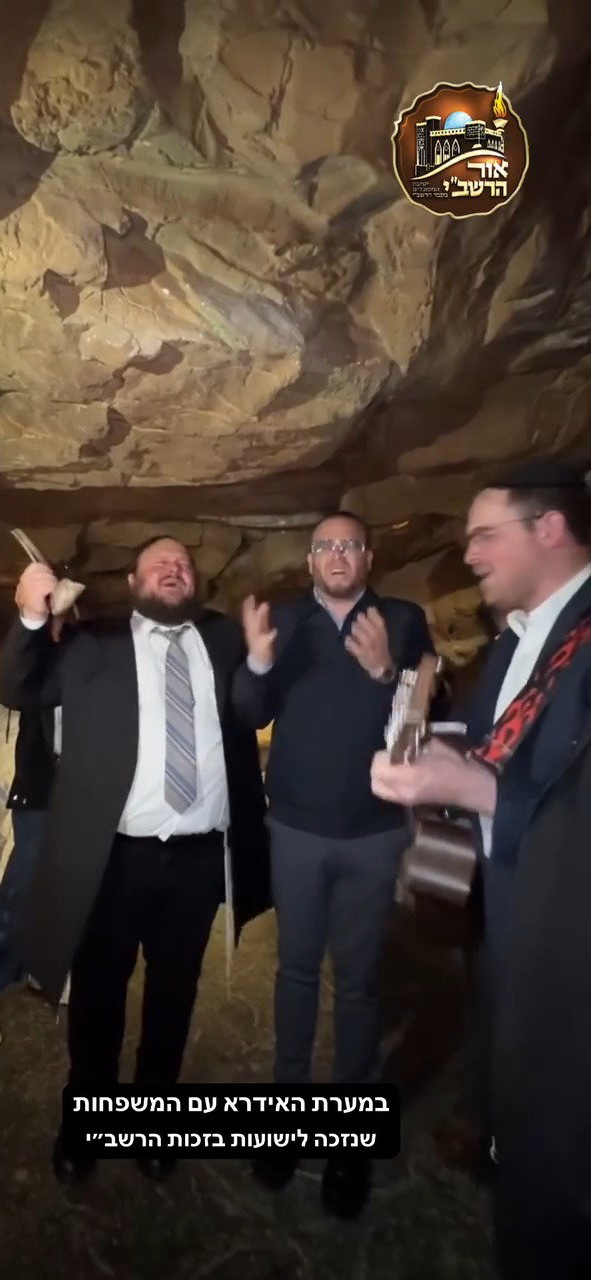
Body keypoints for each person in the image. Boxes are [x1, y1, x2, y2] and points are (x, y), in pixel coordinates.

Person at [370, 461, 591, 1278]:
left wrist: (476, 792)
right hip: (505, 908)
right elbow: (489, 739)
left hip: (570, 944)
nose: (467, 556)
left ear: (550, 528)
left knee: (561, 1164)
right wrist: (431, 751)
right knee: (510, 1067)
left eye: (483, 536)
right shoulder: (516, 641)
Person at [0, 536, 270, 1184]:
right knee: (98, 997)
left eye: (185, 564)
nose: (175, 569)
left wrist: (261, 663)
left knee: (175, 996)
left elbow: (254, 711)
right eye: (160, 563)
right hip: (114, 859)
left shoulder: (224, 638)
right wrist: (30, 616)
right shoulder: (94, 642)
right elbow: (18, 686)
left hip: (198, 859)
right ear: (132, 580)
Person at [232, 511, 439, 1218]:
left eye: (350, 544)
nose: (339, 555)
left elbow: (418, 731)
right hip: (295, 829)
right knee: (294, 973)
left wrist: (386, 674)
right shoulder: (286, 621)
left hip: (372, 835)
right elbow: (248, 713)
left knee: (357, 984)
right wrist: (259, 662)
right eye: (326, 546)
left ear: (369, 557)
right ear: (311, 560)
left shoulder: (403, 621)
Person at [0, 704, 62, 1051]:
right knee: (23, 885)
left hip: (98, 783)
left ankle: (44, 965)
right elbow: (14, 687)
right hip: (43, 781)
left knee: (71, 885)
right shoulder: (44, 668)